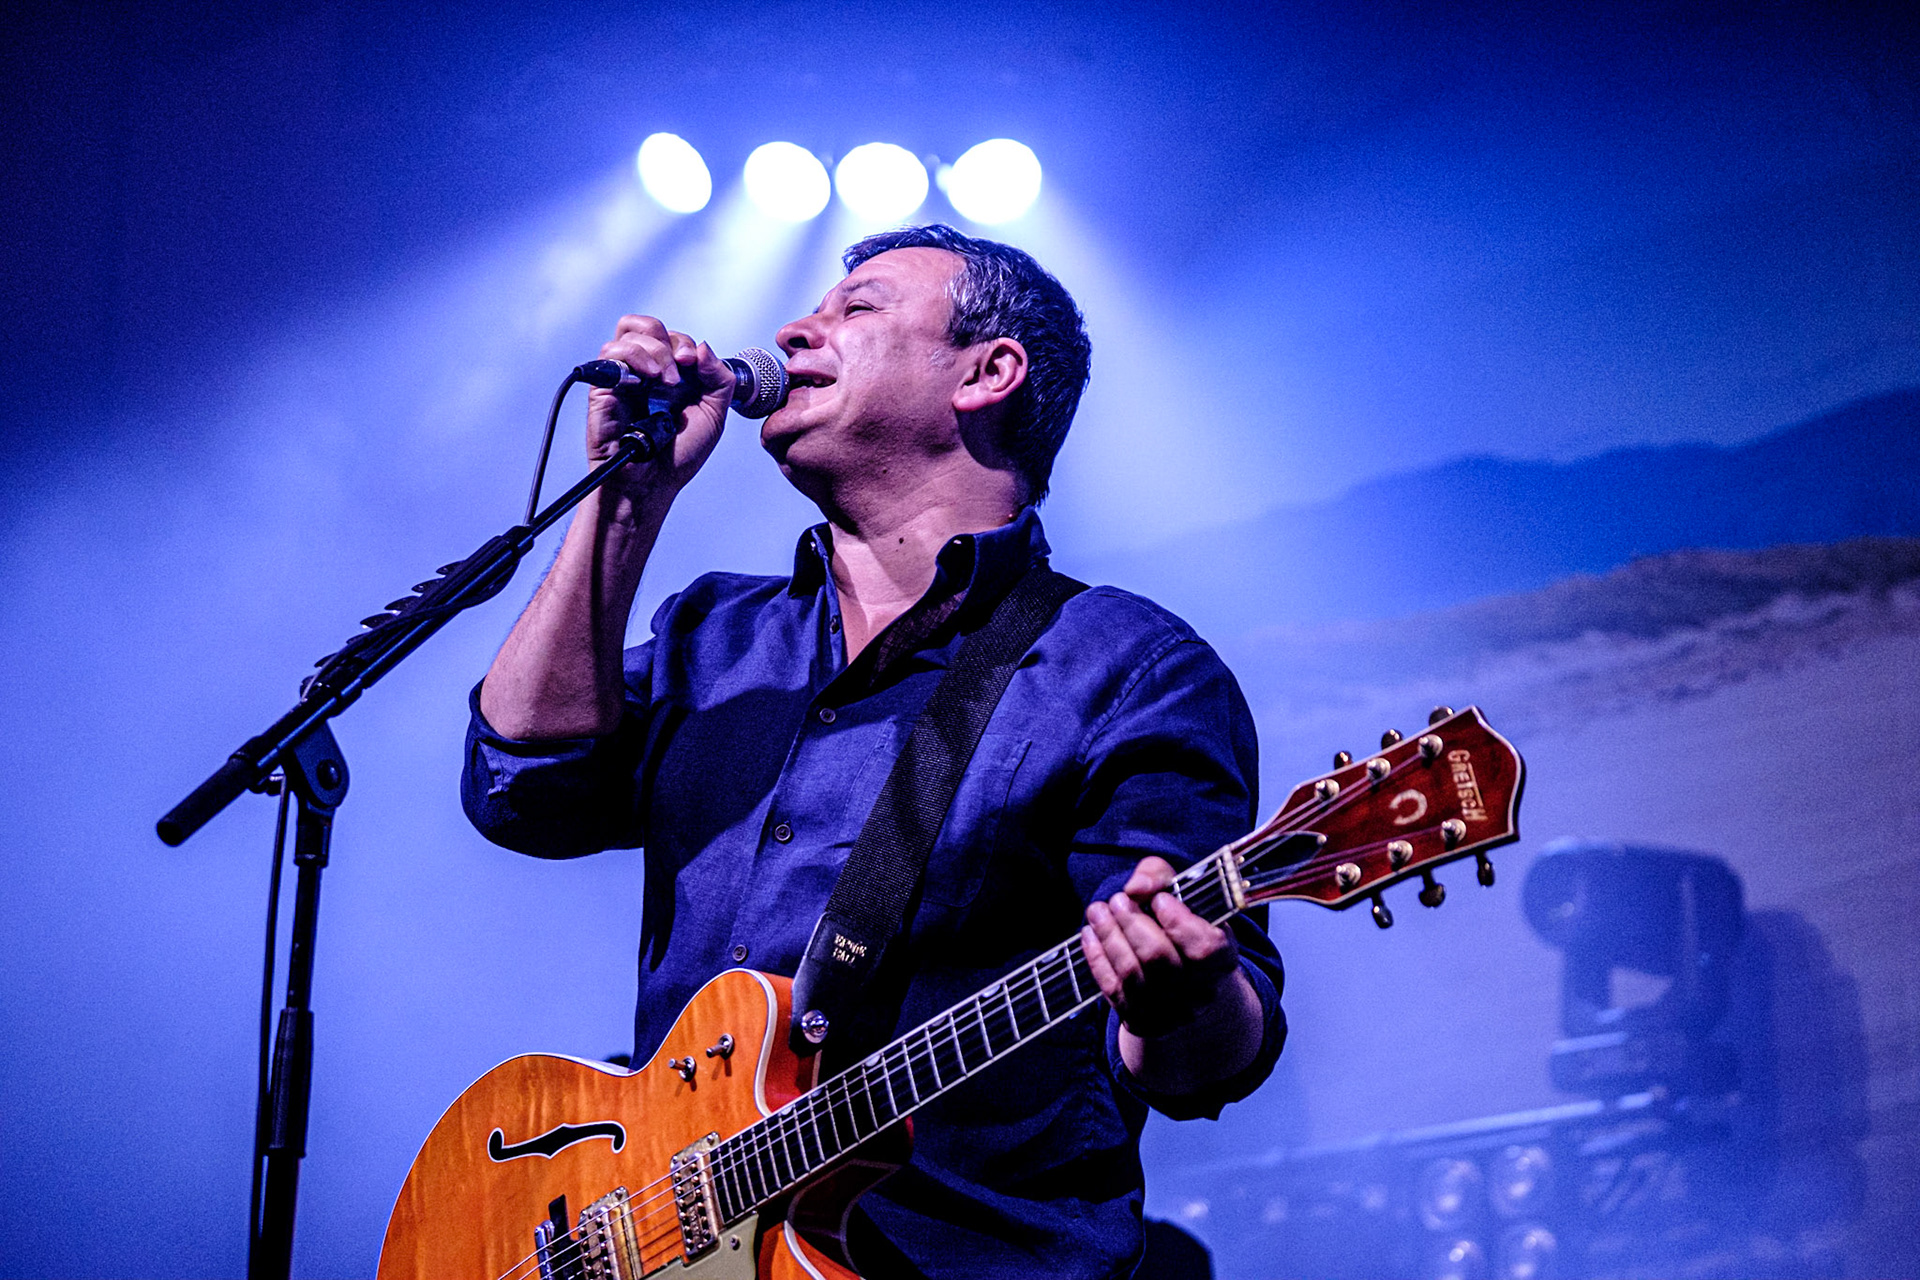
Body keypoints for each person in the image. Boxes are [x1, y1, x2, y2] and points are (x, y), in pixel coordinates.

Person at [463, 224, 1285, 1278]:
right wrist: (628, 500)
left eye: (858, 309)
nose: (795, 330)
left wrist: (1181, 996)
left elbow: (1212, 1055)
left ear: (988, 374)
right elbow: (521, 786)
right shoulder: (714, 636)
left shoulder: (1125, 667)